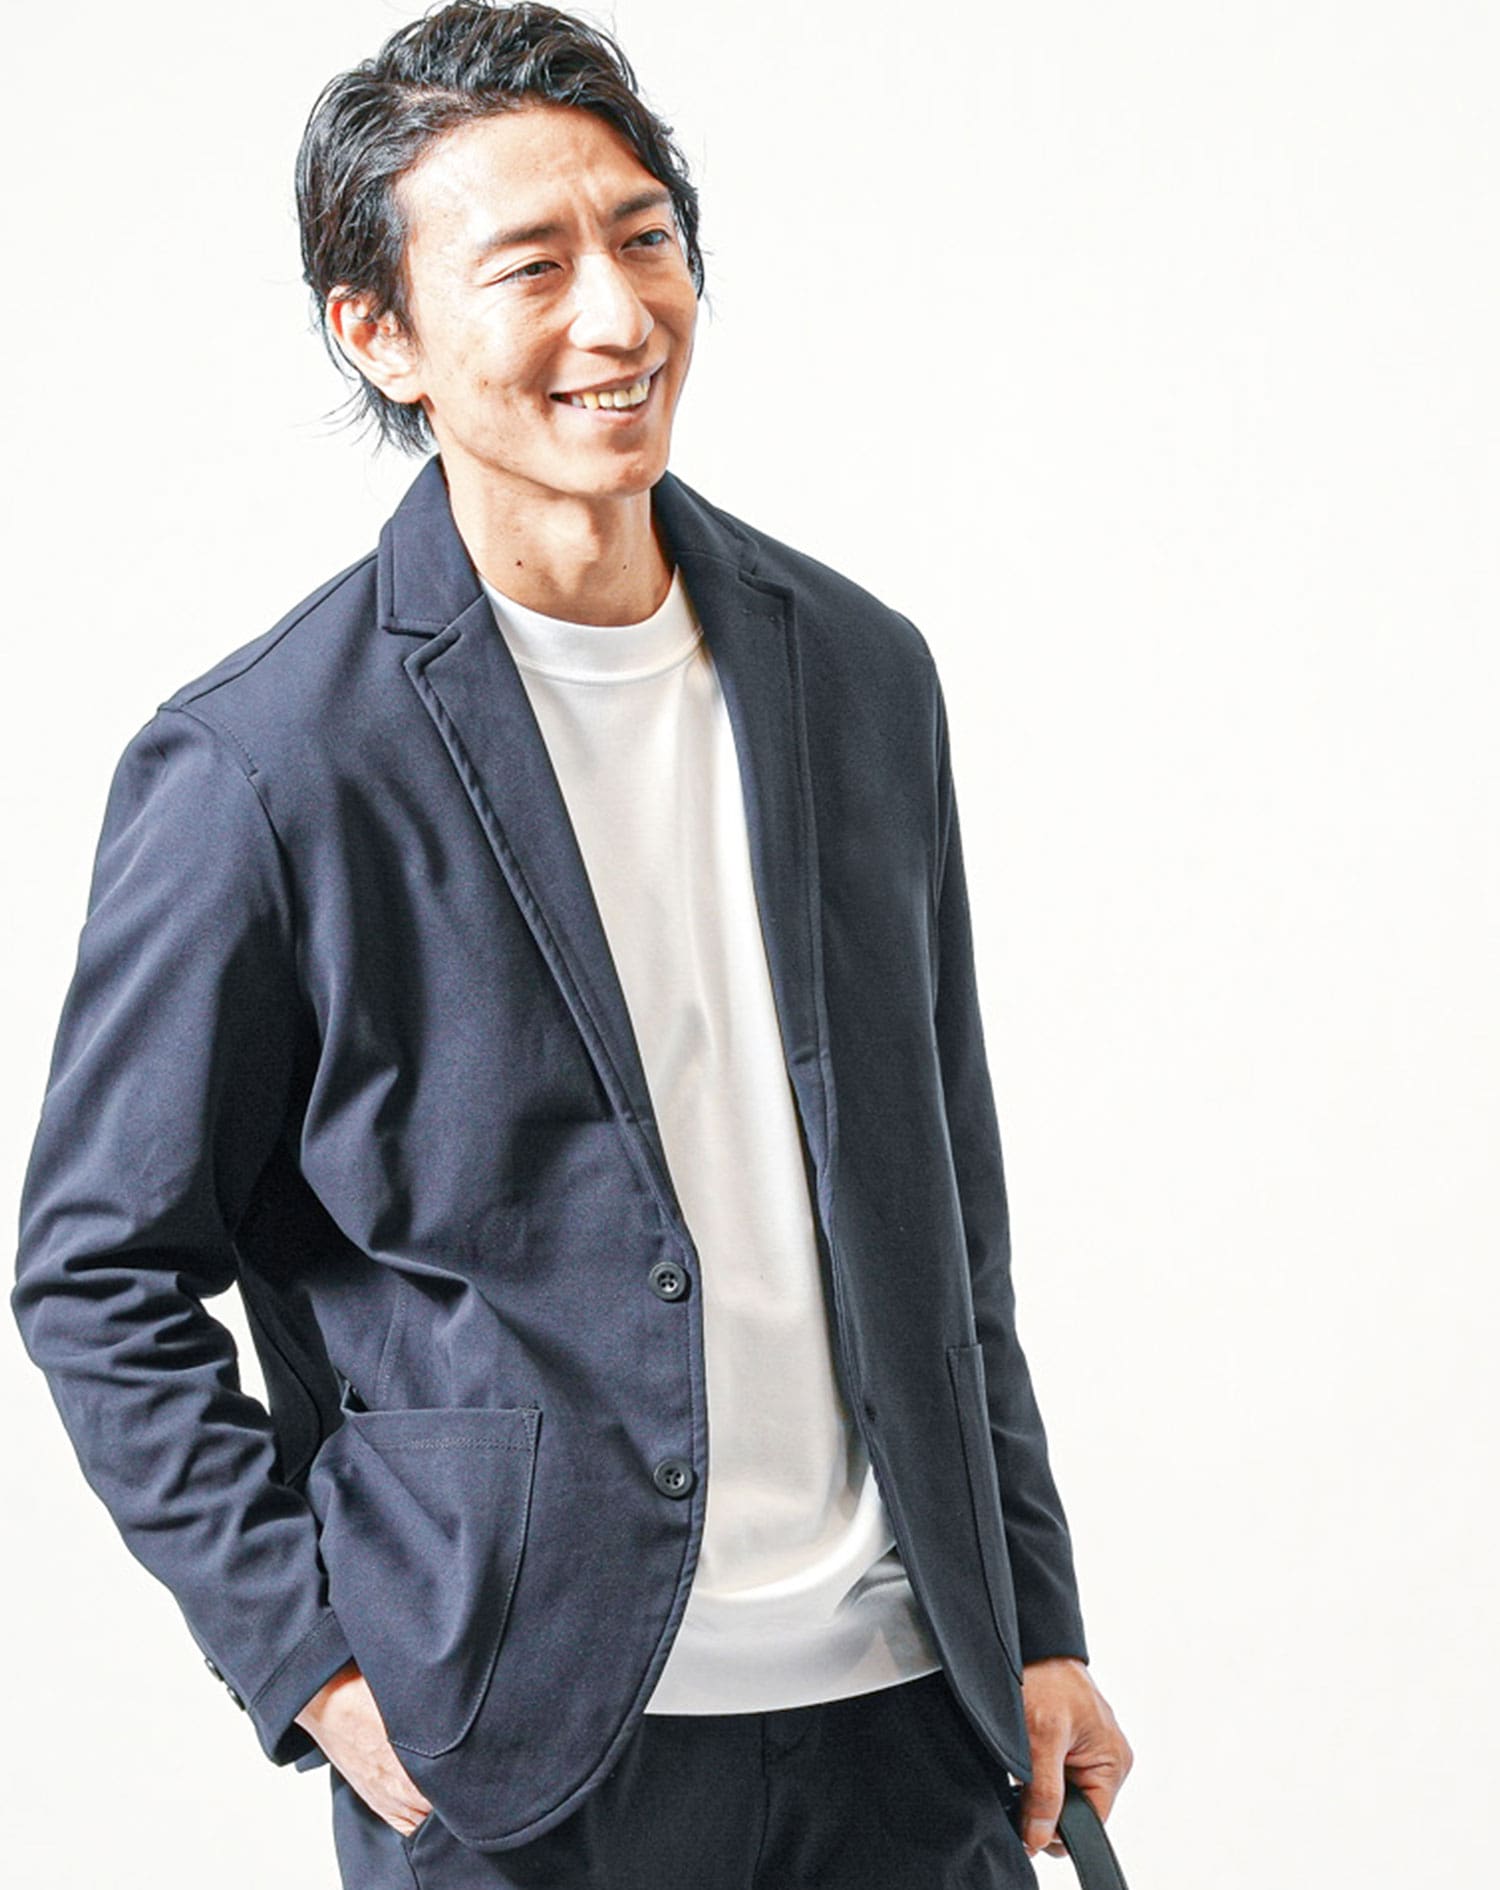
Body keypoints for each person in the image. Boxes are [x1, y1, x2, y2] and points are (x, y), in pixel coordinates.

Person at [11, 5, 1133, 1885]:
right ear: (379, 332)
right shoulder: (266, 764)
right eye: (531, 266)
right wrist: (315, 1663)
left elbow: (949, 1211)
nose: (618, 315)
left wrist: (1031, 1611)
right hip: (529, 1758)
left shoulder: (858, 672)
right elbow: (95, 1271)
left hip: (906, 1715)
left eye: (645, 237)